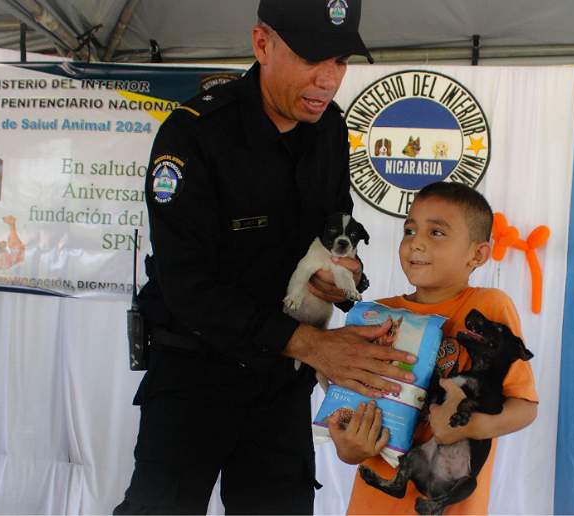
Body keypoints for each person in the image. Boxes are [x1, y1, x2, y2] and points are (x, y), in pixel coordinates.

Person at [114, 1, 418, 514]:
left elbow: (337, 229)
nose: (328, 79)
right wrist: (312, 345)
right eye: (312, 58)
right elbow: (186, 285)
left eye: (341, 61)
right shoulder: (195, 134)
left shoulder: (330, 129)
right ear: (262, 44)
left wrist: (344, 276)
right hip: (194, 372)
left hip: (282, 379)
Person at [328, 182, 539, 515]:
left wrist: (469, 426)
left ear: (477, 254)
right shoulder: (375, 316)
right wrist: (349, 449)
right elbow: (347, 421)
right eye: (409, 230)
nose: (416, 242)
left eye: (437, 232)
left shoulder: (489, 308)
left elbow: (525, 408)